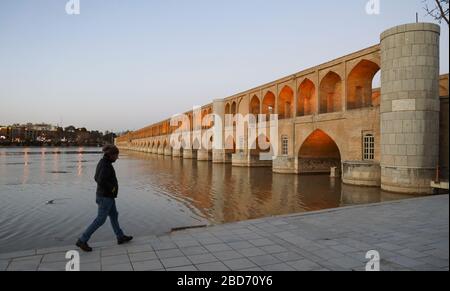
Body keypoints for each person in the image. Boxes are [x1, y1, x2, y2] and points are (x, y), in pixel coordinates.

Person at [76, 144, 132, 252]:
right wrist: (111, 188)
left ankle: (120, 237)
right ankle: (82, 240)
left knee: (114, 215)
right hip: (105, 197)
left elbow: (96, 177)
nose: (117, 158)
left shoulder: (104, 162)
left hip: (107, 196)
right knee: (100, 220)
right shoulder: (105, 165)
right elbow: (100, 180)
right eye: (116, 156)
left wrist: (111, 190)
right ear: (111, 155)